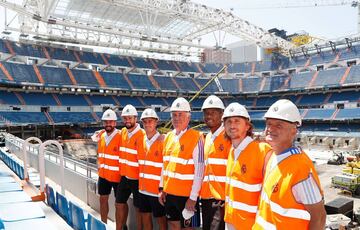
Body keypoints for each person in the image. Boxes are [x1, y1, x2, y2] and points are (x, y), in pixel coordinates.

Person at [253, 99, 326, 230]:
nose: (270, 129)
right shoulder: (273, 157)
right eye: (268, 124)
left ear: (294, 131)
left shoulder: (300, 168)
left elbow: (319, 217)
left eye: (278, 125)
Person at [222, 103, 271, 229]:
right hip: (230, 221)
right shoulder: (232, 151)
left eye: (237, 121)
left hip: (251, 225)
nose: (232, 125)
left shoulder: (262, 151)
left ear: (247, 126)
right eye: (228, 122)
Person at [159, 97, 204, 230]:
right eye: (174, 115)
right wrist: (161, 188)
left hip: (187, 197)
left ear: (188, 117)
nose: (177, 118)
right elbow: (164, 166)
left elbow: (199, 171)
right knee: (172, 225)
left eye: (180, 115)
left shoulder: (197, 137)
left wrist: (193, 197)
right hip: (169, 194)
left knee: (187, 229)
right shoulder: (168, 137)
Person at [199, 95, 231, 230]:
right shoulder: (208, 138)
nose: (209, 116)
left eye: (213, 112)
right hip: (206, 197)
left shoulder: (228, 137)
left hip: (221, 200)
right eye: (206, 113)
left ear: (222, 114)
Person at [116, 104, 145, 230]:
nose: (127, 121)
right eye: (125, 118)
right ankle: (121, 227)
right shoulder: (122, 132)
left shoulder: (142, 135)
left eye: (130, 118)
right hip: (125, 176)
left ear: (136, 118)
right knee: (119, 203)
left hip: (137, 179)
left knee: (139, 208)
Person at [138, 108, 167, 230]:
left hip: (157, 191)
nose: (148, 124)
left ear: (156, 122)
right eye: (145, 121)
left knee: (161, 220)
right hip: (143, 189)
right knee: (145, 218)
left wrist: (162, 189)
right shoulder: (140, 140)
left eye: (150, 121)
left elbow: (165, 167)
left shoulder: (163, 141)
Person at [94, 109, 122, 223]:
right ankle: (103, 224)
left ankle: (120, 227)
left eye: (110, 122)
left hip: (117, 177)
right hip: (103, 175)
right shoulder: (101, 136)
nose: (108, 124)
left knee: (119, 204)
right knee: (102, 200)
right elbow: (99, 155)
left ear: (115, 123)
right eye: (106, 122)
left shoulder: (121, 136)